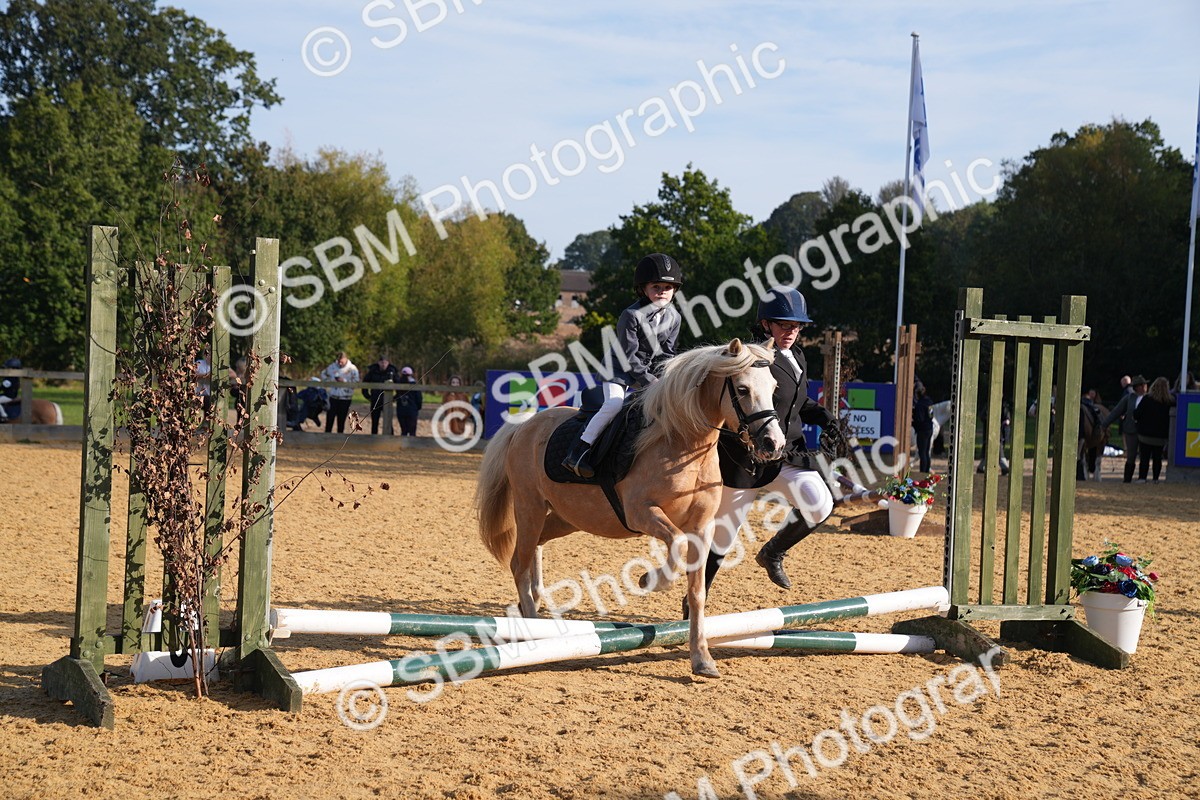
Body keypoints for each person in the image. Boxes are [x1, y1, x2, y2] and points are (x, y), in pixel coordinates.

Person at [709, 287, 847, 593]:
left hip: (788, 454)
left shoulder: (796, 355)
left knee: (820, 504)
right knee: (723, 537)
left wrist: (825, 417)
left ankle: (772, 553)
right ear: (766, 324)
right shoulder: (755, 358)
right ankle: (696, 597)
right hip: (748, 460)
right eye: (785, 325)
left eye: (797, 326)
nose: (792, 331)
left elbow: (795, 403)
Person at [562, 253, 683, 478]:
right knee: (614, 406)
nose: (662, 291)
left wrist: (666, 379)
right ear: (643, 289)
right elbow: (628, 357)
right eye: (656, 286)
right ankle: (579, 450)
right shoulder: (631, 315)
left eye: (668, 286)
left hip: (646, 372)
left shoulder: (674, 317)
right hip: (617, 370)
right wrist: (650, 381)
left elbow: (667, 353)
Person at [1101, 374, 1147, 483]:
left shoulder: (1148, 398)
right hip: (1131, 430)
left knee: (1144, 455)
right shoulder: (1129, 398)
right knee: (1131, 455)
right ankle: (1127, 479)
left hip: (1145, 430)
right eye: (1142, 385)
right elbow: (1117, 411)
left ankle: (1142, 477)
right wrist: (1105, 424)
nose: (1145, 386)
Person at [1133, 377, 1172, 482]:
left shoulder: (1147, 399)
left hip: (1144, 434)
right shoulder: (1169, 402)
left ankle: (1142, 477)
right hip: (1160, 436)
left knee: (1144, 458)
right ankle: (1155, 478)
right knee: (1157, 458)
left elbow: (1136, 414)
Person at [321, 351, 359, 433]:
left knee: (341, 420)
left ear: (346, 359)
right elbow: (323, 374)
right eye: (339, 361)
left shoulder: (352, 369)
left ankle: (340, 438)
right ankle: (327, 437)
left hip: (345, 398)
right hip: (333, 397)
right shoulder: (332, 367)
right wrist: (330, 381)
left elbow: (356, 382)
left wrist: (344, 381)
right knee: (329, 419)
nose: (340, 363)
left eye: (341, 361)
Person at [362, 356, 399, 435]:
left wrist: (395, 398)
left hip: (387, 401)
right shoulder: (373, 371)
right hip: (375, 399)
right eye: (382, 362)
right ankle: (373, 438)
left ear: (388, 363)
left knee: (388, 421)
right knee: (374, 421)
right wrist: (368, 396)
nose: (383, 364)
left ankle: (390, 438)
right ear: (378, 363)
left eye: (385, 362)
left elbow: (399, 386)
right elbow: (365, 383)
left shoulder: (392, 371)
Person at [913, 382, 935, 473]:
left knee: (922, 452)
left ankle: (923, 471)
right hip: (929, 428)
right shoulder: (929, 402)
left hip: (922, 430)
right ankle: (927, 469)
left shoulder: (919, 405)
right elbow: (931, 415)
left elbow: (919, 419)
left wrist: (913, 422)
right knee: (927, 451)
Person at [394, 366, 422, 436]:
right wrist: (418, 407)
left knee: (404, 430)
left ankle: (403, 445)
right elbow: (419, 398)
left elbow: (397, 396)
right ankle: (412, 446)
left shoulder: (399, 384)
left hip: (401, 410)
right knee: (412, 431)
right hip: (412, 410)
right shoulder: (414, 384)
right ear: (411, 374)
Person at [0, 357, 21, 421]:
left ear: (13, 368)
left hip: (9, 396)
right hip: (8, 394)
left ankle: (4, 415)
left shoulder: (10, 379)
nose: (6, 369)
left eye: (8, 368)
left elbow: (2, 387)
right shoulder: (14, 378)